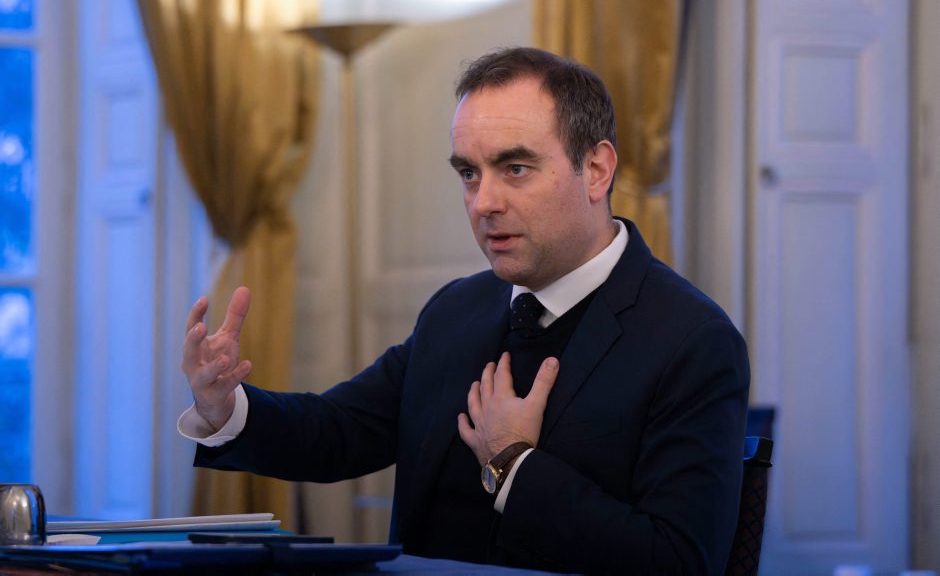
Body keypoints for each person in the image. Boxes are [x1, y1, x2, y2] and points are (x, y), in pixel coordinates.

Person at [178, 47, 750, 574]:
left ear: (596, 170)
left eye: (515, 168)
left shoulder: (692, 340)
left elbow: (679, 561)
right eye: (469, 173)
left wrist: (514, 464)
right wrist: (226, 407)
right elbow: (339, 432)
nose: (484, 202)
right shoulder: (455, 309)